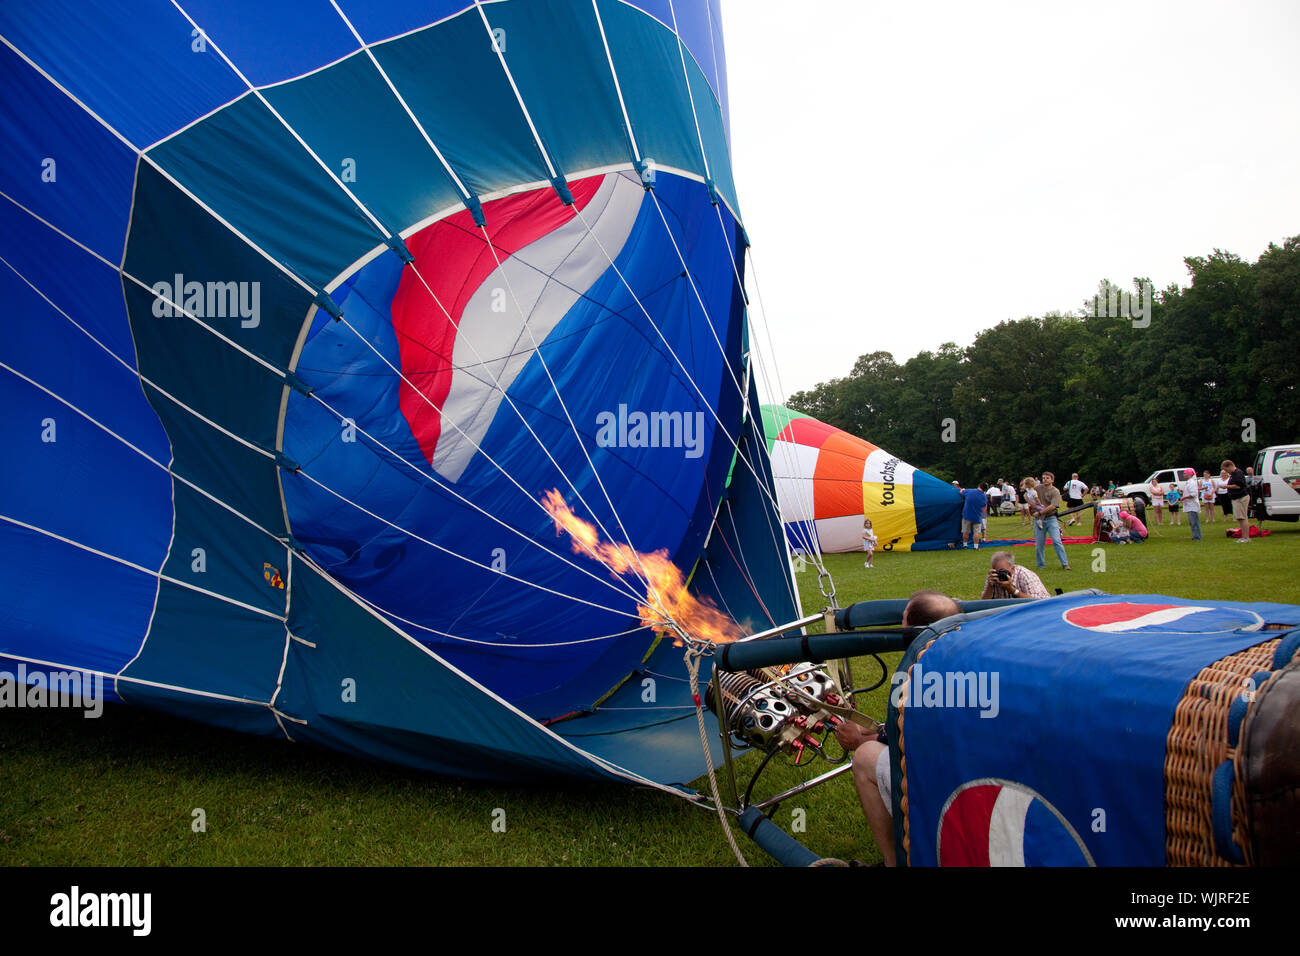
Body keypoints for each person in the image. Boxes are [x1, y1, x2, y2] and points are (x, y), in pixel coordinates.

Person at [835, 590, 962, 867]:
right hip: (972, 773)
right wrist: (873, 732)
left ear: (911, 628)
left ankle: (895, 861)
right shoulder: (971, 661)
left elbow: (905, 743)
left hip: (947, 792)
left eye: (904, 617)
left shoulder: (917, 677)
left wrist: (860, 740)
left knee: (866, 755)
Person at [1033, 472, 1072, 570]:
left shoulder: (1055, 491)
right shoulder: (1037, 489)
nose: (1045, 479)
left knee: (1056, 541)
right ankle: (1041, 566)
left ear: (1052, 480)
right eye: (1043, 478)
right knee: (1039, 544)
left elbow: (1053, 506)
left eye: (1047, 478)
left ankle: (1065, 564)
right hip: (1038, 520)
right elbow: (1029, 494)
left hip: (1051, 518)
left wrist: (1040, 512)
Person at [980, 550, 1051, 600]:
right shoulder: (993, 576)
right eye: (997, 571)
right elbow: (983, 604)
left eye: (1003, 571)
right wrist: (990, 587)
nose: (1000, 575)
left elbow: (1037, 602)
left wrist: (1012, 590)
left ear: (1013, 568)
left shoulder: (1025, 575)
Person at [1223, 459, 1251, 542]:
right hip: (1236, 498)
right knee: (1240, 518)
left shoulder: (1238, 473)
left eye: (1226, 469)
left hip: (1241, 498)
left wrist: (1226, 486)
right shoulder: (1233, 474)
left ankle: (1246, 537)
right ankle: (1244, 536)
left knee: (1243, 518)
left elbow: (1239, 486)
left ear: (1230, 466)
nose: (1226, 471)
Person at [960, 481, 987, 549]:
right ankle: (976, 547)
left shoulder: (970, 491)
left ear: (979, 486)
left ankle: (965, 545)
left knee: (965, 532)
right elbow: (984, 507)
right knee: (976, 532)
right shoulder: (984, 497)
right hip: (977, 517)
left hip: (967, 515)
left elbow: (961, 492)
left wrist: (962, 489)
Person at [1181, 468, 1202, 541]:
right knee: (1192, 522)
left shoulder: (1192, 483)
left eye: (1185, 473)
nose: (1184, 475)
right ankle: (1195, 536)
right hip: (1189, 505)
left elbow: (1193, 494)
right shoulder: (1189, 482)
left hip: (1192, 505)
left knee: (1194, 522)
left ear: (1189, 474)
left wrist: (1184, 497)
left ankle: (1197, 537)